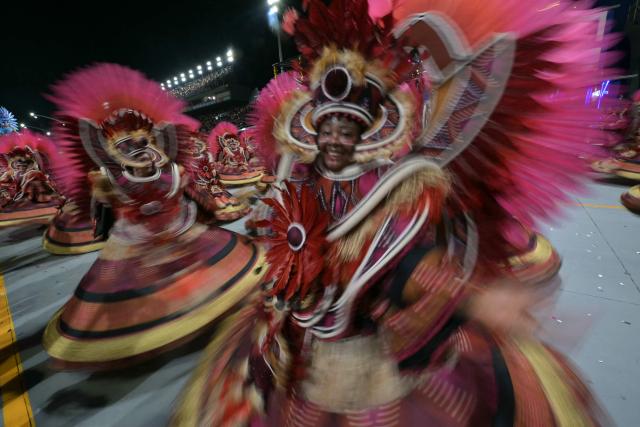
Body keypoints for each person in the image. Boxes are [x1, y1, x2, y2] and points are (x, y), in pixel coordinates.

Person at [172, 0, 620, 425]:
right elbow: (290, 230)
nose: (332, 140)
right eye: (325, 127)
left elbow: (408, 260)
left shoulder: (401, 187)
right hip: (310, 332)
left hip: (371, 341)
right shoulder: (304, 173)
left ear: (367, 130)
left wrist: (477, 300)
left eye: (345, 129)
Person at [42, 64, 267, 369]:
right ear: (111, 152)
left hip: (179, 233)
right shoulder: (109, 181)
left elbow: (197, 197)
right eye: (127, 146)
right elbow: (102, 216)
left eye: (143, 143)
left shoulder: (175, 172)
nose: (138, 150)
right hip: (136, 244)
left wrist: (212, 208)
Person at [0, 130, 63, 226]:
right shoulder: (13, 173)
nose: (21, 165)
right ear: (14, 163)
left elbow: (42, 176)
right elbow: (5, 182)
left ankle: (51, 219)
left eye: (23, 163)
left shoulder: (34, 173)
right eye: (18, 163)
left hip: (40, 197)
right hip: (24, 198)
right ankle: (45, 221)